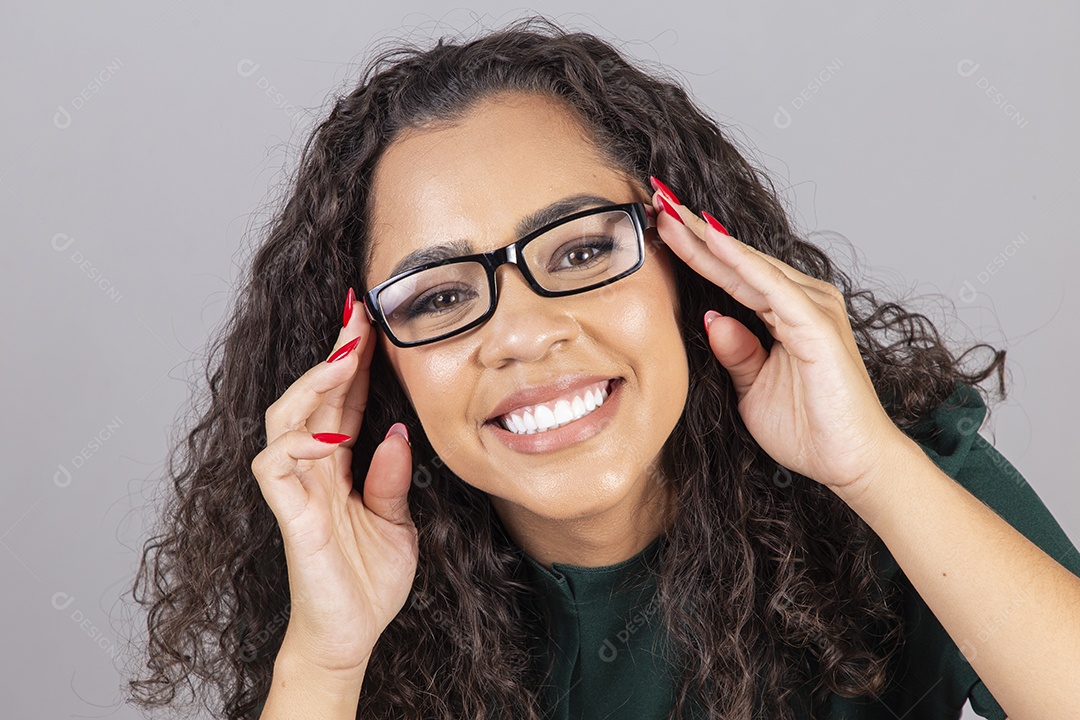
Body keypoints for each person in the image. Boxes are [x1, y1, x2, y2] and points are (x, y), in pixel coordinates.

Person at [126, 15, 1080, 720]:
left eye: (581, 250)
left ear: (689, 263)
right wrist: (327, 657)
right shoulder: (359, 599)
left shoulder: (895, 470)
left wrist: (873, 468)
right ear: (376, 366)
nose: (526, 333)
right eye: (439, 297)